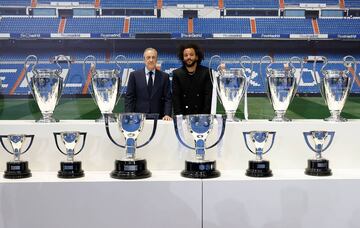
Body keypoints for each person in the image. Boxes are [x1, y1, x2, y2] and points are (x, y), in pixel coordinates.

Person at [125, 48, 172, 120]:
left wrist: (167, 114)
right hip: (138, 118)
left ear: (156, 59)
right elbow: (129, 97)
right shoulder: (134, 75)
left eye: (153, 57)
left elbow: (168, 98)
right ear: (144, 59)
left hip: (159, 118)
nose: (151, 60)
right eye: (148, 57)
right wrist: (129, 114)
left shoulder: (164, 77)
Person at [172, 43, 213, 115]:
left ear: (197, 57)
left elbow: (208, 97)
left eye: (191, 55)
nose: (188, 57)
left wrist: (204, 117)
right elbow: (176, 98)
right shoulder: (177, 74)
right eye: (186, 55)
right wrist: (180, 117)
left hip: (202, 116)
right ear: (182, 58)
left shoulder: (207, 72)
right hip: (183, 116)